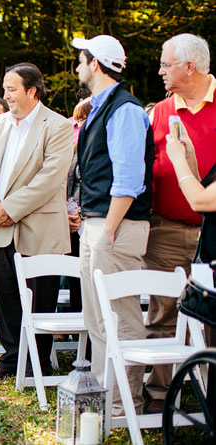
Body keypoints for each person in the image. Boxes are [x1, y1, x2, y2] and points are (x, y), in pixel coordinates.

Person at [0, 62, 73, 379]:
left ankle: (37, 364)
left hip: (38, 225)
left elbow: (50, 179)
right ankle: (12, 360)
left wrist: (10, 209)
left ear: (32, 91)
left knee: (39, 296)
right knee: (3, 294)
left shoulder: (57, 126)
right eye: (5, 89)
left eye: (11, 89)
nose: (6, 96)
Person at [73, 34, 153, 416]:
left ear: (95, 64)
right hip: (96, 222)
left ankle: (125, 403)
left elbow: (128, 179)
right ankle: (106, 397)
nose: (77, 66)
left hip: (115, 225)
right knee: (96, 317)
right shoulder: (97, 108)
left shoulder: (125, 110)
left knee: (119, 316)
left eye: (81, 59)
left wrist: (108, 230)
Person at [143, 33, 216, 412]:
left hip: (214, 236)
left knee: (212, 318)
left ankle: (207, 398)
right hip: (167, 229)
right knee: (163, 314)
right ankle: (159, 398)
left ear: (190, 66)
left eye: (165, 64)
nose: (160, 71)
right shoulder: (158, 111)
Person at [61, 97, 92, 313]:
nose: (80, 126)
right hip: (72, 220)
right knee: (74, 274)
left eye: (85, 120)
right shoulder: (73, 148)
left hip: (91, 218)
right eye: (78, 121)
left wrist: (82, 212)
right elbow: (67, 182)